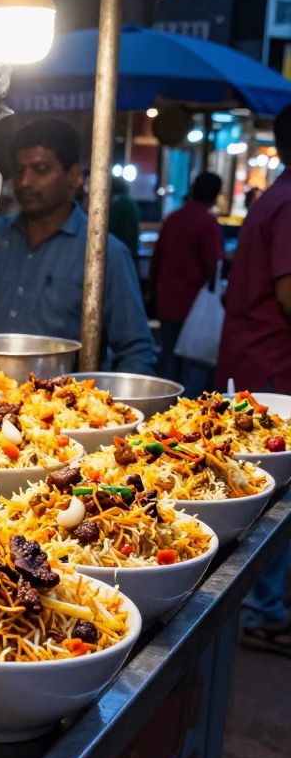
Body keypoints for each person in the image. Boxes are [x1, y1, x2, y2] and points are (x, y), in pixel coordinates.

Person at [0, 118, 155, 373]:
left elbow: (135, 350)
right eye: (19, 170)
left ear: (73, 176)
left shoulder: (104, 253)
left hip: (56, 406)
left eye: (41, 169)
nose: (25, 182)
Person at [217, 103, 291, 656]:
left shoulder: (277, 196)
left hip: (257, 364)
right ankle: (266, 611)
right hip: (272, 377)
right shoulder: (290, 202)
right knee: (273, 504)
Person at [149, 171, 224, 398]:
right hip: (194, 305)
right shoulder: (208, 222)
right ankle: (187, 415)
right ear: (215, 196)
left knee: (169, 358)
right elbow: (213, 263)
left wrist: (151, 291)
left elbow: (157, 259)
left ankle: (164, 407)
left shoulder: (173, 218)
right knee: (194, 364)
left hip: (168, 298)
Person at [108, 176, 140, 263]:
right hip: (131, 251)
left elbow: (111, 228)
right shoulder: (131, 203)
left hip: (119, 255)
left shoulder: (117, 204)